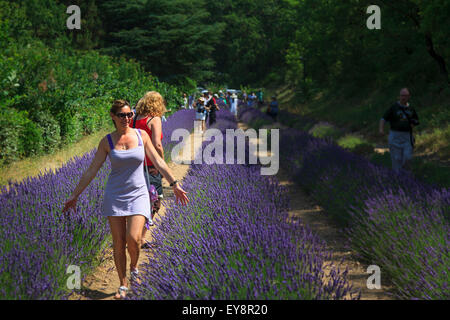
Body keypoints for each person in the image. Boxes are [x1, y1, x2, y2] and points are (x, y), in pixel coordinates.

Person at [62, 99, 189, 299]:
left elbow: (159, 161)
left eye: (130, 115)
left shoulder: (141, 135)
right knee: (119, 243)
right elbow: (91, 171)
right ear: (113, 117)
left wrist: (175, 184)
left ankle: (135, 268)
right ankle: (122, 283)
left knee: (134, 238)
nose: (127, 119)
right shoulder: (107, 141)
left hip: (139, 193)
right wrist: (74, 195)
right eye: (122, 115)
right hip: (115, 195)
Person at [133, 91, 165, 245]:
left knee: (136, 200)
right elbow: (157, 144)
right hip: (150, 166)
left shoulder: (133, 119)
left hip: (133, 165)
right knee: (154, 201)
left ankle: (132, 233)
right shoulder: (154, 119)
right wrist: (161, 165)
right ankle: (141, 237)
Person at [379, 88, 419, 171]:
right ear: (399, 96)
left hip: (407, 136)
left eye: (405, 96)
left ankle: (407, 177)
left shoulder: (411, 108)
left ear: (409, 97)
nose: (403, 97)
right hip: (395, 135)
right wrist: (381, 129)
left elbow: (416, 121)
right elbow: (383, 119)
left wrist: (411, 126)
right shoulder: (394, 107)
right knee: (397, 159)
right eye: (402, 96)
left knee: (408, 158)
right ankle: (398, 178)